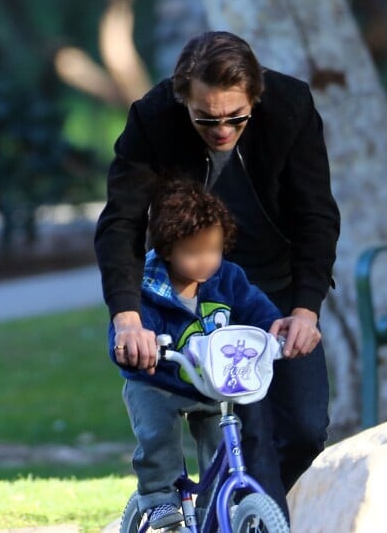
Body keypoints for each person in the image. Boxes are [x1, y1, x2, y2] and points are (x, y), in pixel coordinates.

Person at [95, 31, 340, 521]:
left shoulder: (290, 106)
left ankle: (239, 512)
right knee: (249, 434)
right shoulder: (152, 117)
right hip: (196, 291)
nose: (223, 130)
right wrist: (127, 316)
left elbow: (316, 215)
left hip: (275, 286)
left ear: (256, 96)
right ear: (182, 97)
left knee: (304, 430)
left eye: (236, 117)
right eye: (206, 118)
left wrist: (305, 309)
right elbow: (121, 222)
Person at [112, 178, 288, 529]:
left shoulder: (227, 278)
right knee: (158, 437)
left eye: (214, 249)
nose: (206, 261)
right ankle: (158, 500)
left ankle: (213, 513)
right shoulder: (146, 287)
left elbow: (256, 308)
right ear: (167, 249)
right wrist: (136, 349)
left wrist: (275, 329)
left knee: (219, 444)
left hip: (209, 382)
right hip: (157, 381)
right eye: (193, 252)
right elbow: (127, 331)